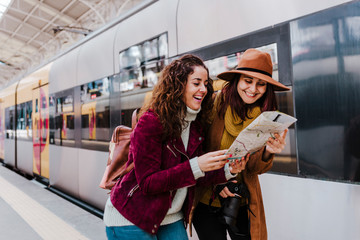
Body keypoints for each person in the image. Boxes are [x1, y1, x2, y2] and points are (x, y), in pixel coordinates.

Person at [103, 54, 244, 240]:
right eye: (196, 83)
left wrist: (227, 171)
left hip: (170, 217)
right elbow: (148, 182)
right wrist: (197, 165)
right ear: (178, 84)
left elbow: (193, 175)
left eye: (206, 84)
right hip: (133, 217)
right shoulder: (151, 121)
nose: (204, 89)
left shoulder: (195, 125)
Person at [192, 48, 290, 240]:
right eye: (248, 81)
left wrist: (269, 152)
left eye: (261, 84)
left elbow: (254, 169)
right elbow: (195, 150)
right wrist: (219, 180)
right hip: (207, 198)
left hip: (242, 201)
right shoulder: (212, 104)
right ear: (237, 80)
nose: (253, 89)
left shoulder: (267, 117)